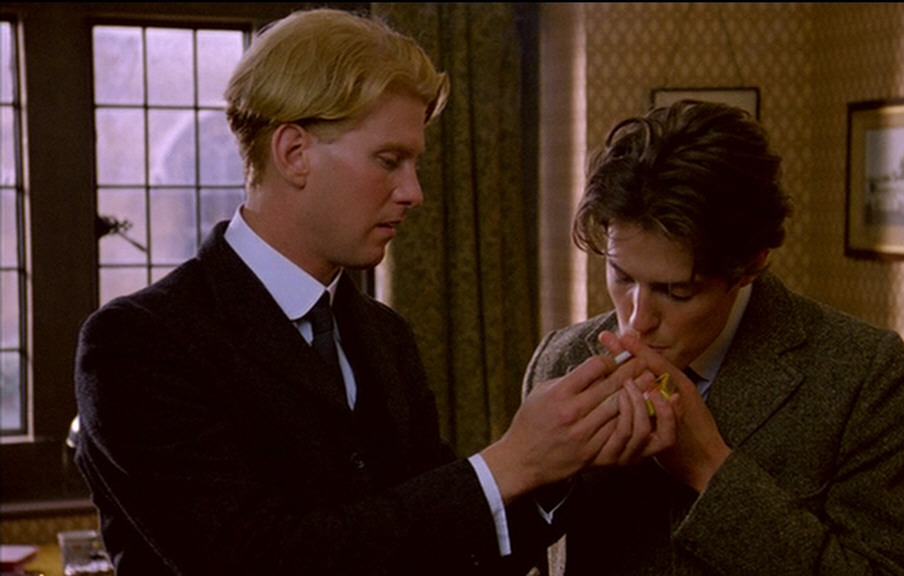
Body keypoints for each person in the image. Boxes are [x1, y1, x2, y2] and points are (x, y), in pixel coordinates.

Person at [72, 8, 675, 575]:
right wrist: (511, 462)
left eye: (414, 163)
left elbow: (450, 550)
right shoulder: (138, 344)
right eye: (389, 160)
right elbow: (258, 561)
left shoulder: (384, 335)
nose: (414, 192)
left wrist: (563, 463)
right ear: (294, 153)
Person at [521, 100, 904, 575]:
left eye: (676, 291)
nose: (637, 320)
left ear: (751, 265)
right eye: (622, 276)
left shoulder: (863, 374)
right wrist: (545, 473)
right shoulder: (561, 359)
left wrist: (711, 469)